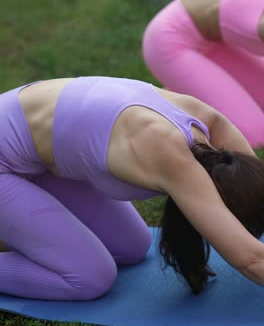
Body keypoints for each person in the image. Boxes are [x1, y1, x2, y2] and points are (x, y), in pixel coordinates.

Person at [0, 75, 264, 300]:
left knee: (132, 247)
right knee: (91, 277)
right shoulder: (169, 156)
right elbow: (251, 260)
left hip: (36, 155)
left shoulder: (215, 130)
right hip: (6, 159)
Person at [142, 0, 264, 149]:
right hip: (171, 41)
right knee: (252, 134)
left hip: (216, 42)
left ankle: (187, 91)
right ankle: (152, 111)